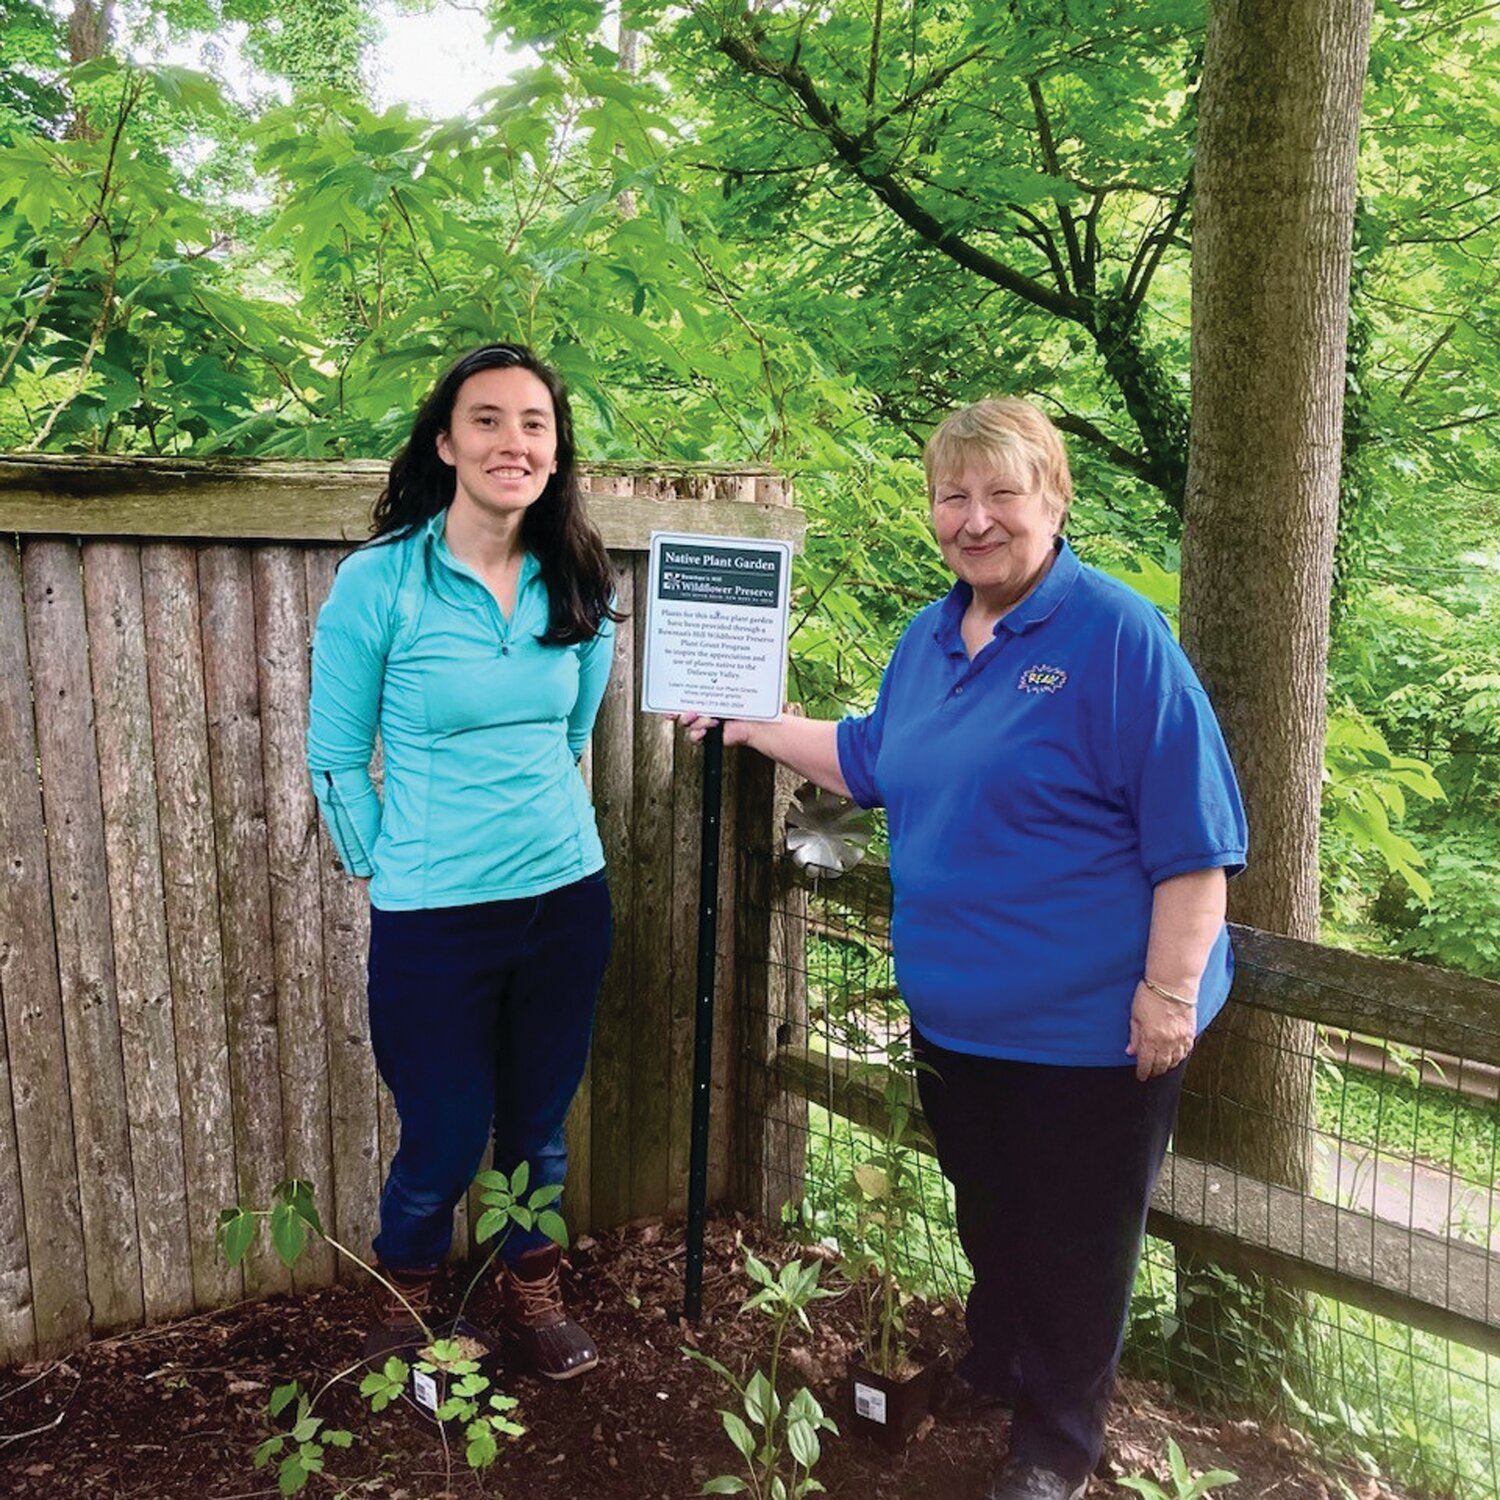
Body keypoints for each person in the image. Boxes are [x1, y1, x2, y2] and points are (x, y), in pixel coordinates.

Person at [676, 398, 1247, 1499]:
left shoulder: (1120, 638)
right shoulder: (932, 638)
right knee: (990, 1213)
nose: (975, 518)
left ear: (1055, 499)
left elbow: (1197, 850)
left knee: (1078, 1244)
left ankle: (1057, 1443)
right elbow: (872, 758)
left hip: (1089, 1031)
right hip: (956, 1023)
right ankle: (1000, 1361)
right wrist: (748, 722)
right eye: (953, 496)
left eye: (1001, 493)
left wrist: (1169, 996)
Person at [308, 342, 620, 1380]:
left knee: (537, 1127)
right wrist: (383, 865)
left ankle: (532, 1290)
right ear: (446, 442)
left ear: (556, 448)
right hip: (434, 915)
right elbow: (338, 757)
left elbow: (572, 732)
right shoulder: (379, 584)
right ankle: (406, 1303)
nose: (513, 442)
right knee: (442, 1134)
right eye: (487, 420)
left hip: (566, 900)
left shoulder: (578, 576)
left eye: (535, 423)